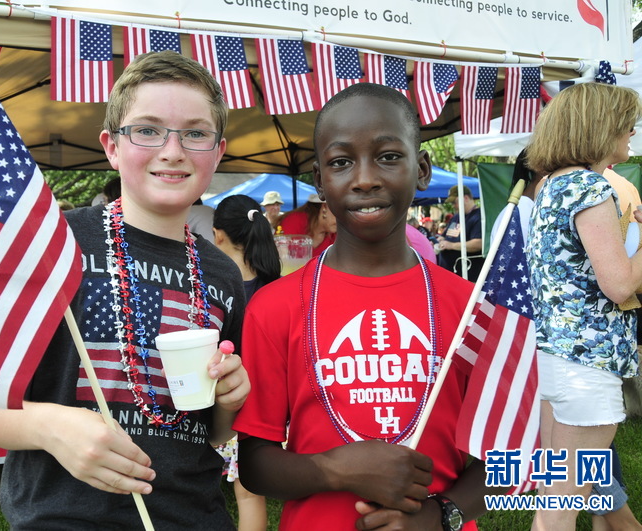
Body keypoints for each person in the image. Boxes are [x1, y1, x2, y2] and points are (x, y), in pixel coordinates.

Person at [0, 50, 250, 529]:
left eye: (196, 133)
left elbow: (214, 432)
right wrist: (50, 426)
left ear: (218, 152)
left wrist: (227, 402)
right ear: (112, 146)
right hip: (63, 516)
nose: (173, 150)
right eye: (147, 129)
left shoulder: (222, 273)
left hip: (192, 516)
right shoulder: (51, 244)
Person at [234, 83, 501, 531]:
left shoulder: (470, 307)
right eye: (341, 162)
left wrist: (441, 516)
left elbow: (504, 455)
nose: (364, 179)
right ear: (319, 180)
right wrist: (336, 469)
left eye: (388, 156)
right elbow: (255, 465)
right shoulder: (274, 306)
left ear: (422, 169)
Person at [525, 82, 642, 531]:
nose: (631, 130)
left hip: (557, 360)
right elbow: (619, 284)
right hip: (588, 366)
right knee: (559, 511)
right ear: (598, 127)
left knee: (554, 501)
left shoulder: (551, 185)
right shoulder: (590, 187)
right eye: (624, 122)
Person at [212, 194, 280, 531]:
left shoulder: (216, 290)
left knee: (247, 493)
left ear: (219, 235)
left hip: (233, 407)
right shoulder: (275, 287)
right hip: (275, 406)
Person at [436, 185, 483, 280]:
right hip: (450, 273)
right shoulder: (456, 217)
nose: (454, 206)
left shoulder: (479, 217)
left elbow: (479, 243)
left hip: (467, 275)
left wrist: (451, 245)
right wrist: (440, 240)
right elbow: (446, 235)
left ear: (465, 198)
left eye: (455, 202)